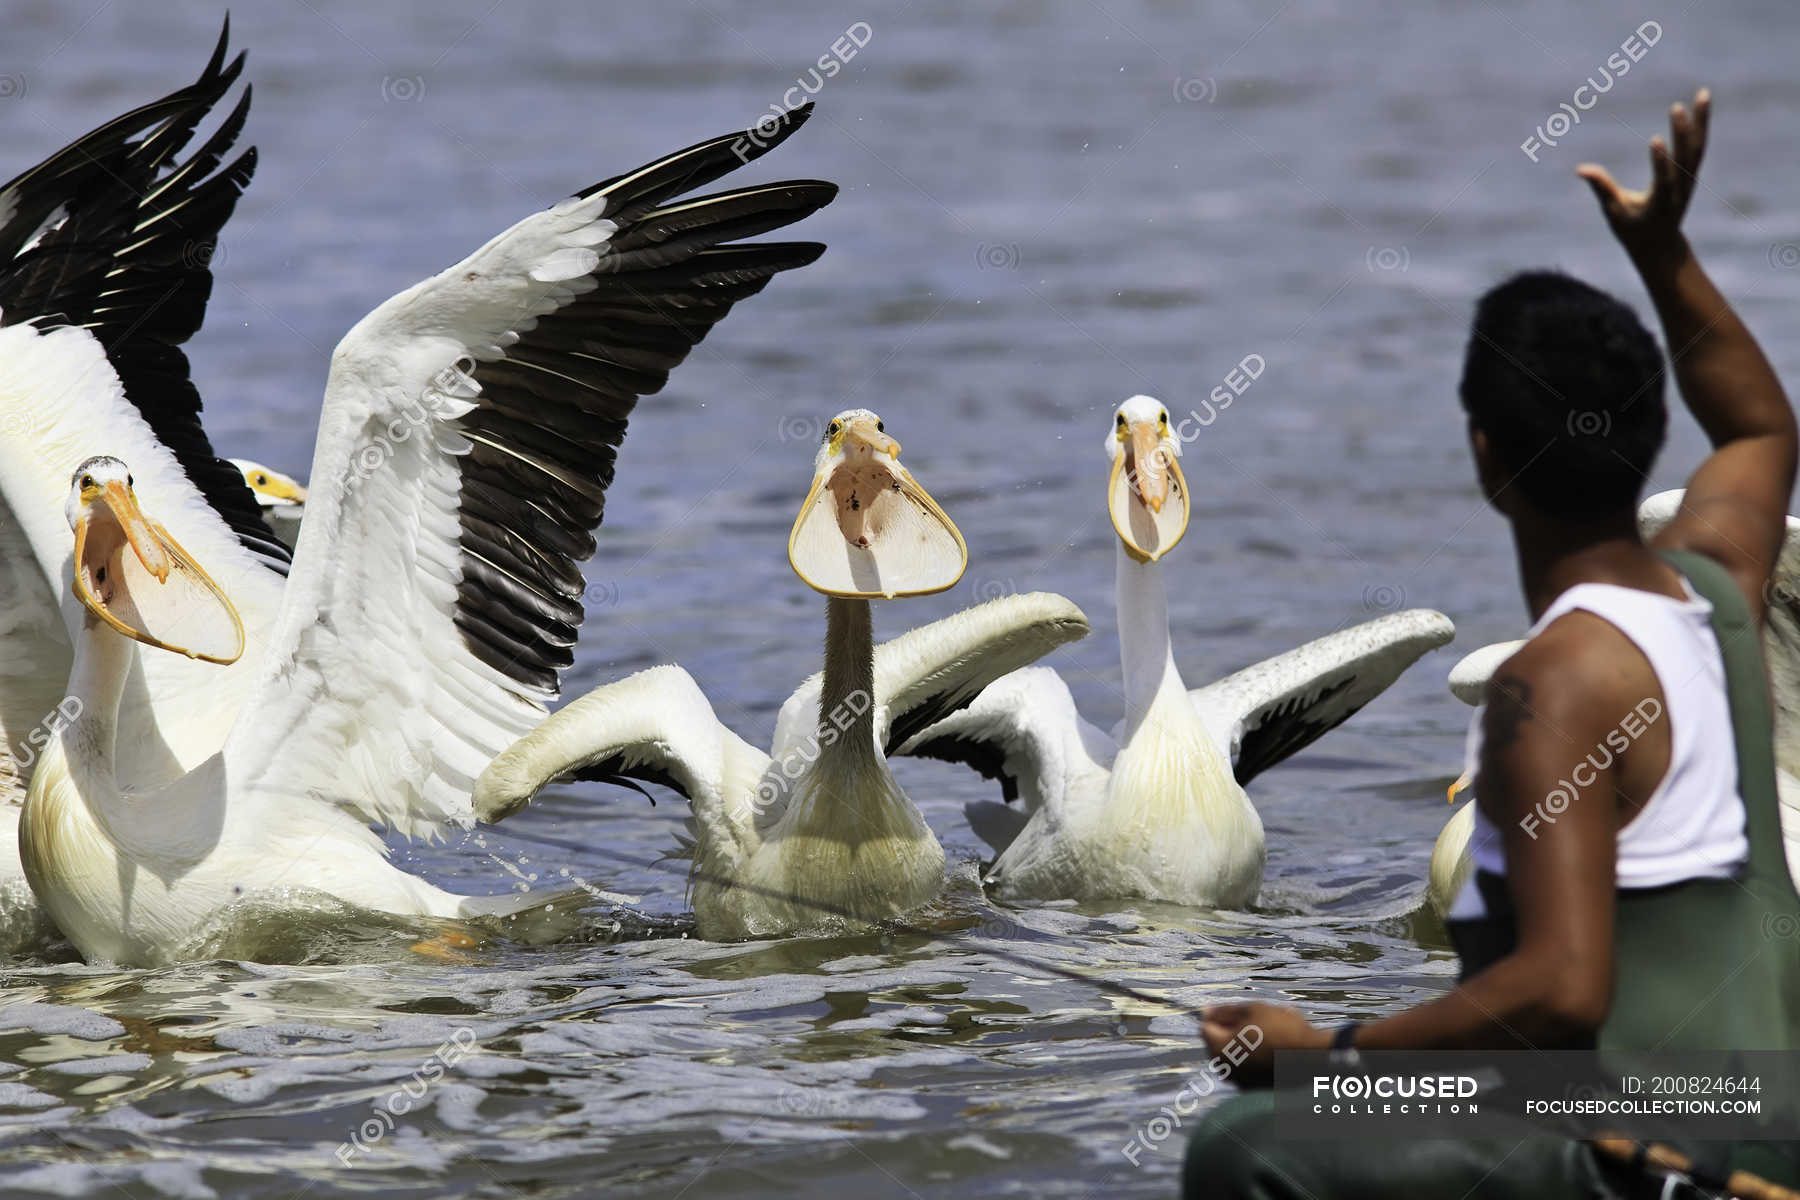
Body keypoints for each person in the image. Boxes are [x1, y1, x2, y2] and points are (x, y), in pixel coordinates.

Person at [1183, 89, 1800, 1197]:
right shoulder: (1714, 590)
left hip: (1653, 1120)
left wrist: (1327, 1061)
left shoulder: (1547, 687)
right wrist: (1663, 256)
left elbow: (1561, 990)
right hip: (1770, 1096)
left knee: (1245, 1145)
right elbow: (1760, 424)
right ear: (1650, 432)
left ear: (1482, 451)